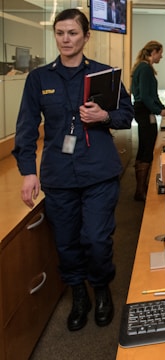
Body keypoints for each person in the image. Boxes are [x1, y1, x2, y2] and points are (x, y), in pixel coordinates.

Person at [12, 8, 134, 332]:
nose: (66, 39)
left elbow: (127, 115)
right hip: (59, 175)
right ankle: (79, 294)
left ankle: (102, 287)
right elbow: (26, 128)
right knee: (66, 242)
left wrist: (103, 117)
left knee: (95, 239)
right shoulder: (39, 78)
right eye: (60, 33)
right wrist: (28, 172)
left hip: (99, 173)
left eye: (73, 33)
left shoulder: (105, 75)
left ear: (86, 36)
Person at [130, 40, 165, 201]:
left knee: (144, 148)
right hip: (144, 112)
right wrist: (159, 110)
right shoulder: (145, 69)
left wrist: (162, 107)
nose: (161, 56)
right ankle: (140, 191)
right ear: (153, 52)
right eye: (160, 53)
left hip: (143, 111)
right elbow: (146, 97)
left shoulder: (142, 67)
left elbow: (151, 96)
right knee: (147, 148)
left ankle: (141, 187)